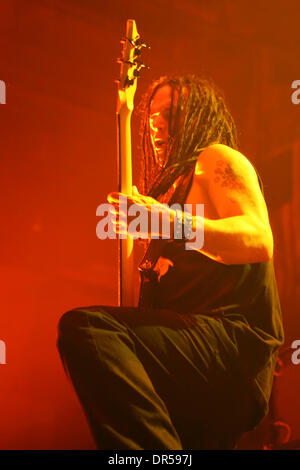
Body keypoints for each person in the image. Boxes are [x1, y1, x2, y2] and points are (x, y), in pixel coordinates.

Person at [57, 75, 284, 450]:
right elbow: (133, 309)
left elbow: (258, 240)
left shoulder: (216, 159)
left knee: (85, 329)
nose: (157, 123)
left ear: (198, 116)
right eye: (152, 116)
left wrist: (170, 222)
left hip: (232, 346)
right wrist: (137, 239)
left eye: (171, 113)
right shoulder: (167, 193)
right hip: (190, 364)